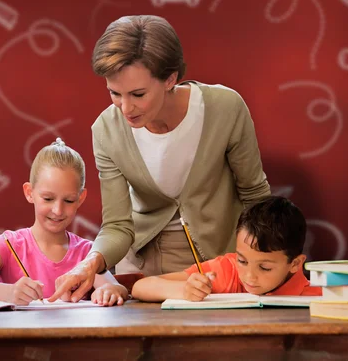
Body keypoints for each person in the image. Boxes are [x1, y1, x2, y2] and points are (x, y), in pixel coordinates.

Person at [49, 15, 271, 303]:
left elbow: (255, 196)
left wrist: (266, 264)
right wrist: (88, 265)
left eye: (138, 94)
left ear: (170, 79)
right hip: (144, 276)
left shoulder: (225, 109)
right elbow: (117, 225)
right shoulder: (106, 130)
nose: (125, 108)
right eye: (114, 93)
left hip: (219, 268)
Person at [0, 138, 128, 306]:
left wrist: (110, 291)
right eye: (48, 198)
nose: (58, 210)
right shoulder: (9, 244)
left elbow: (117, 288)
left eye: (69, 200)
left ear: (80, 198)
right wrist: (9, 292)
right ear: (29, 192)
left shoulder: (87, 253)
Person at [131, 196, 321, 301]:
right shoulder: (227, 271)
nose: (248, 276)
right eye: (242, 261)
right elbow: (141, 287)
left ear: (295, 264)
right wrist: (184, 290)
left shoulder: (318, 296)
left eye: (265, 267)